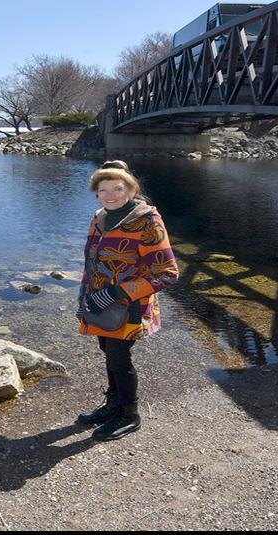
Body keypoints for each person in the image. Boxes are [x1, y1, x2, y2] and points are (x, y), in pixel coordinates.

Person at [76, 161, 179, 441]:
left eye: (118, 189)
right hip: (98, 303)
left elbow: (167, 273)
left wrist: (118, 293)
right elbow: (92, 264)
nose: (110, 195)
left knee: (120, 358)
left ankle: (129, 415)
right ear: (96, 192)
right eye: (103, 189)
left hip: (129, 306)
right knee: (108, 352)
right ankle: (113, 405)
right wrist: (84, 298)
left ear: (131, 189)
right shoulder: (99, 218)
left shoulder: (146, 220)